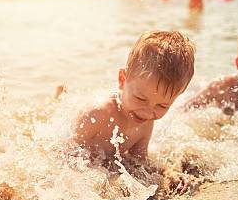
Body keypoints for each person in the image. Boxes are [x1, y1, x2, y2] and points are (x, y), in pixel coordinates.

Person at [72, 31, 195, 164]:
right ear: (122, 80)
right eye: (141, 99)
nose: (147, 112)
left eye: (162, 106)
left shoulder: (145, 122)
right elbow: (63, 151)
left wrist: (169, 173)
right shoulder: (97, 113)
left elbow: (139, 162)